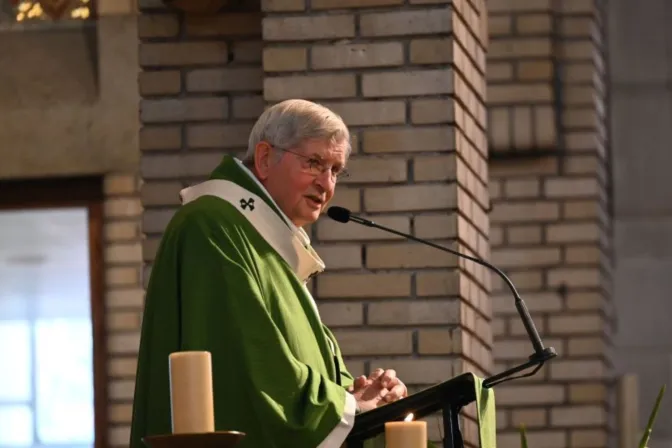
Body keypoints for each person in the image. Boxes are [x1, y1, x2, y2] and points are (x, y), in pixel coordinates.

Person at [129, 99, 408, 448]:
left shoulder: (270, 246)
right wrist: (345, 408)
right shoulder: (213, 226)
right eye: (314, 163)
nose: (327, 184)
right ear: (264, 158)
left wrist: (361, 396)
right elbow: (250, 363)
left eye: (336, 170)